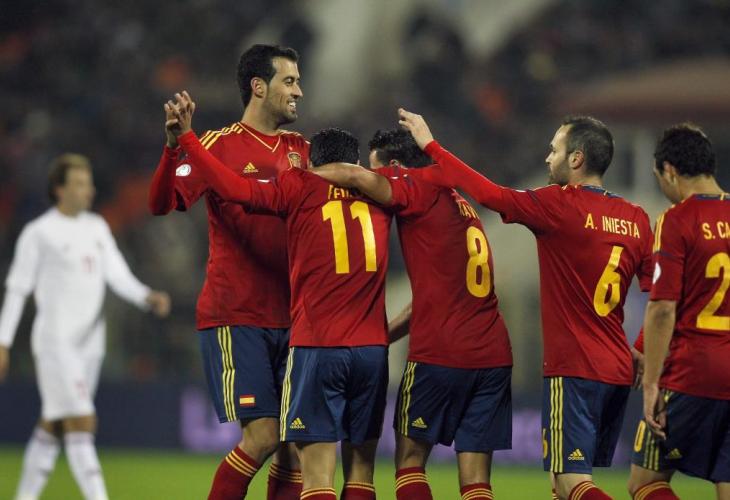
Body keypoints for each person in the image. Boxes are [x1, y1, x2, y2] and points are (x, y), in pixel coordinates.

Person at [166, 90, 419, 500]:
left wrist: (188, 141)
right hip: (372, 352)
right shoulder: (383, 196)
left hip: (318, 345)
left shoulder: (299, 186)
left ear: (315, 163)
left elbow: (236, 189)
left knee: (315, 474)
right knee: (361, 474)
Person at [392, 109, 653, 500]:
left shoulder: (558, 205)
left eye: (554, 150)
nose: (547, 158)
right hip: (617, 371)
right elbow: (663, 295)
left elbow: (489, 195)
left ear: (576, 158)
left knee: (571, 482)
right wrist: (641, 348)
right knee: (561, 487)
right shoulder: (636, 218)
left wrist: (432, 146)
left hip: (575, 369)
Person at [148, 45, 309, 500]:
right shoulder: (217, 145)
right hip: (237, 315)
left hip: (294, 318)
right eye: (289, 81)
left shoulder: (302, 151)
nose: (299, 91)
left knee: (293, 446)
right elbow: (161, 204)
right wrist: (172, 147)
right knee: (263, 436)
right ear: (259, 86)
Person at [316, 128, 513, 500]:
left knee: (409, 462)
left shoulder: (416, 187)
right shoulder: (461, 204)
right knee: (476, 480)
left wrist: (296, 178)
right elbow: (435, 298)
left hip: (441, 352)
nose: (374, 180)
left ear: (395, 167)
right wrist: (383, 336)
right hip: (493, 356)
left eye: (378, 170)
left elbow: (353, 176)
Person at [0, 153, 170, 500]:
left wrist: (145, 296)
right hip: (55, 343)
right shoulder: (39, 233)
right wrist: (2, 342)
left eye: (89, 182)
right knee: (81, 422)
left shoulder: (96, 227)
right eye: (79, 183)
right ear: (59, 189)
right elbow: (17, 289)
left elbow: (116, 274)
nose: (88, 190)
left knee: (54, 425)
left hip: (91, 343)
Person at [628, 124, 730, 500]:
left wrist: (651, 383)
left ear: (669, 171)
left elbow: (662, 309)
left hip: (693, 373)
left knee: (645, 482)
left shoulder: (677, 220)